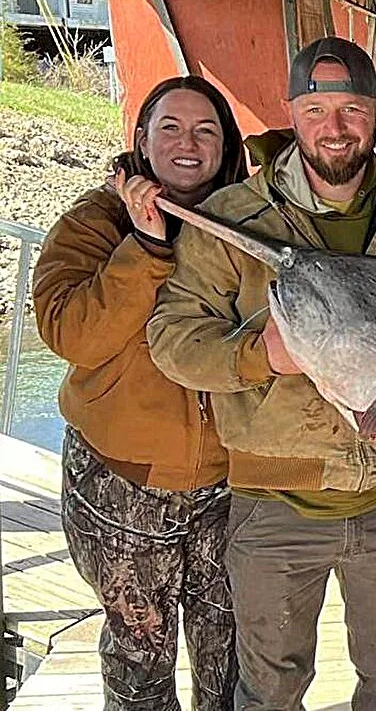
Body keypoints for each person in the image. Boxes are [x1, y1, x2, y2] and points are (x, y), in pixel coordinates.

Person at [147, 37, 376, 710]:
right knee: (270, 690)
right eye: (315, 109)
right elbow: (172, 339)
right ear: (292, 112)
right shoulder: (233, 219)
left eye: (352, 109)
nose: (334, 128)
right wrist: (261, 356)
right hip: (273, 508)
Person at [33, 75, 247, 710]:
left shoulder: (244, 220)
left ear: (226, 144)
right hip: (124, 483)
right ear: (141, 141)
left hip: (229, 483)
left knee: (232, 654)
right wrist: (146, 244)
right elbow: (71, 334)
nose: (189, 144)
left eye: (206, 129)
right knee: (139, 660)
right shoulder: (91, 223)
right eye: (171, 128)